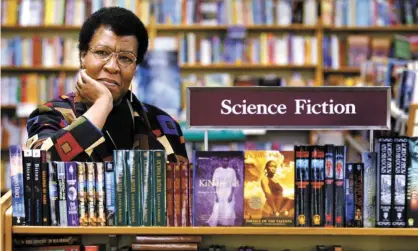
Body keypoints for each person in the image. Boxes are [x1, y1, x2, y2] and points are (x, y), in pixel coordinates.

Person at [25, 7, 188, 163]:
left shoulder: (163, 124)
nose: (112, 66)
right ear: (83, 56)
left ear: (135, 67)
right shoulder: (51, 115)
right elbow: (40, 170)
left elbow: (179, 189)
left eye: (125, 58)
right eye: (102, 53)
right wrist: (102, 104)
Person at [206, 157, 239, 226]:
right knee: (218, 207)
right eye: (224, 161)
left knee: (228, 207)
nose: (225, 162)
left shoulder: (232, 171)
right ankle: (218, 222)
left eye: (227, 161)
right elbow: (214, 183)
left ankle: (227, 223)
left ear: (228, 162)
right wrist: (216, 194)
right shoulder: (217, 170)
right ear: (221, 161)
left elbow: (233, 183)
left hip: (228, 192)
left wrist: (231, 195)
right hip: (219, 191)